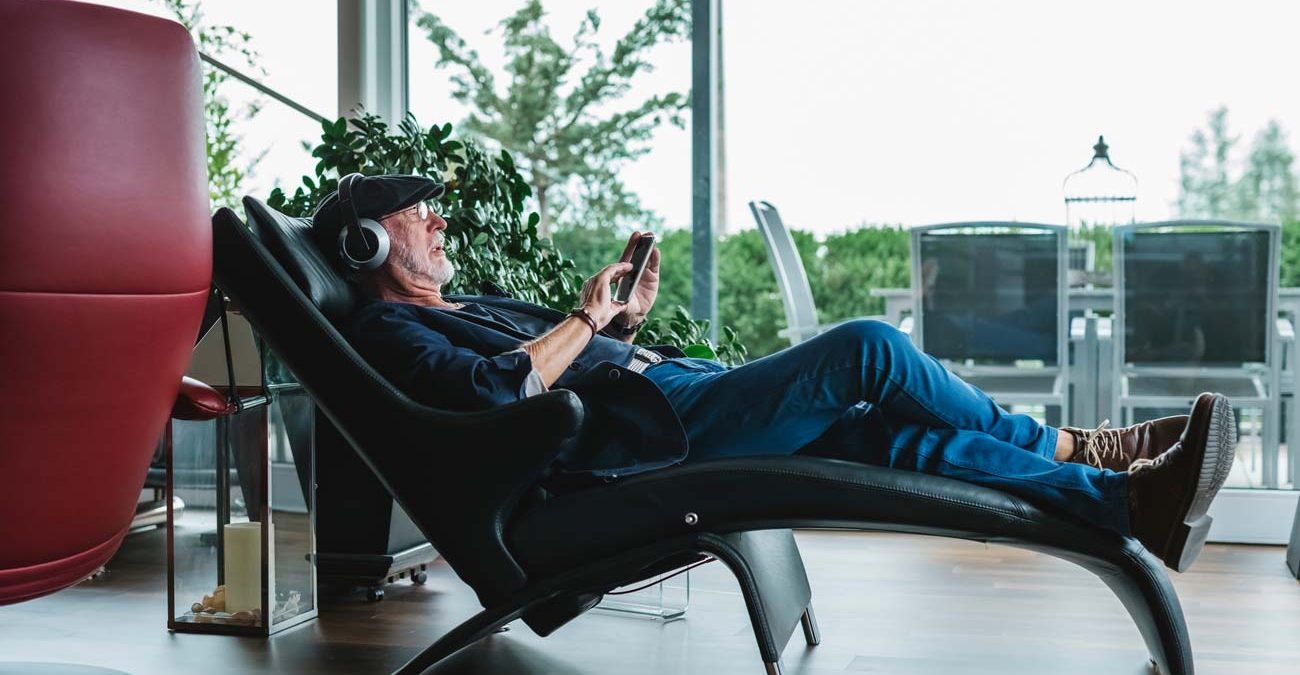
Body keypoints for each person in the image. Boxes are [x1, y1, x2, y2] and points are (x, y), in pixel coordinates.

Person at [313, 174, 1238, 573]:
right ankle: (1087, 443)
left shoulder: (456, 302)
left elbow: (555, 359)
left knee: (902, 435)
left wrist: (621, 322)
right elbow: (498, 394)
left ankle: (1127, 505)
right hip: (657, 437)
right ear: (365, 241)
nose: (438, 224)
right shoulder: (393, 336)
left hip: (673, 389)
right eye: (416, 215)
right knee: (868, 346)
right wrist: (588, 318)